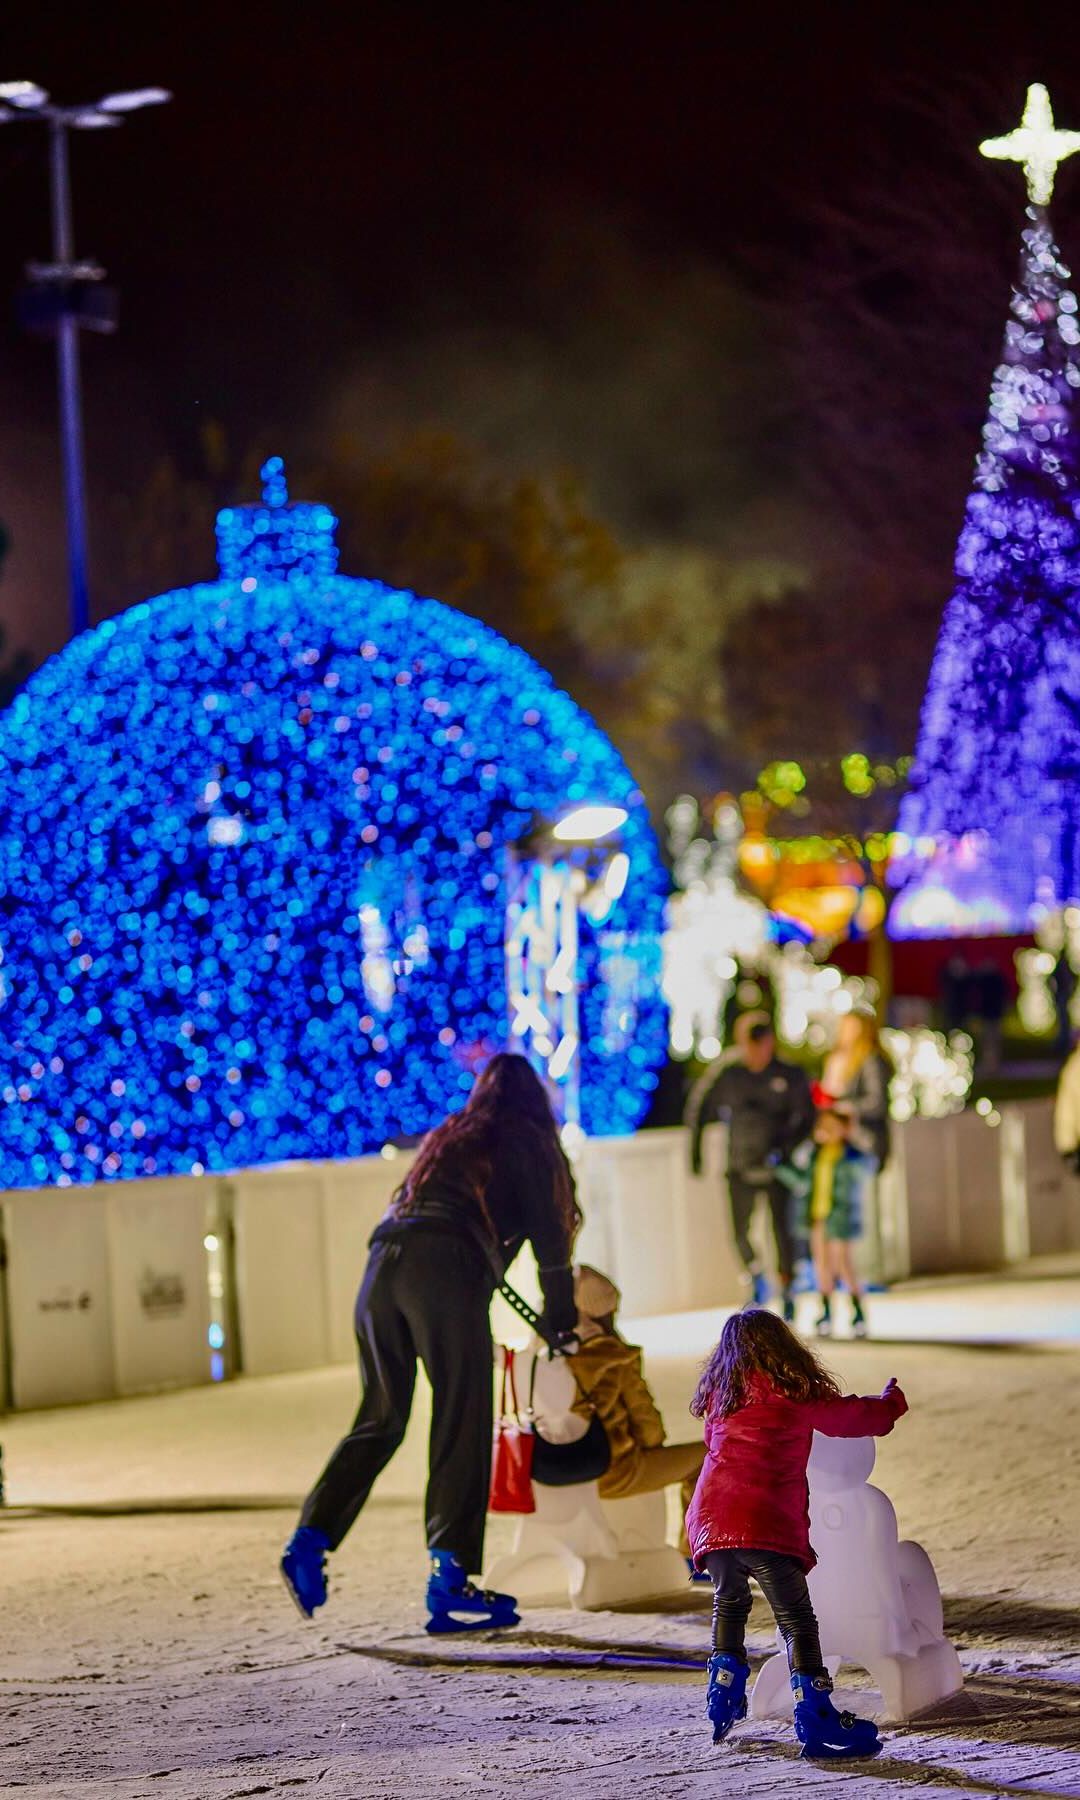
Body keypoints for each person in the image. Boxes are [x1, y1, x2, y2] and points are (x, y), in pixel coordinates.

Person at [280, 1052, 580, 1634]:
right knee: (461, 1419)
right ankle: (451, 1581)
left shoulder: (452, 1136)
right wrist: (561, 1324)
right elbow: (551, 1244)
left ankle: (308, 1539)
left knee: (381, 1416)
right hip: (444, 1268)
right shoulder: (527, 1139)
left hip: (381, 1268)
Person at [684, 1308, 908, 1759]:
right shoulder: (794, 1389)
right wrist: (891, 1401)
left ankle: (721, 1695)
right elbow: (854, 1418)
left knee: (729, 1603)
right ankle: (816, 1713)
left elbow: (714, 1441)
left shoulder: (719, 1395)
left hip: (712, 1518)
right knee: (798, 1622)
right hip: (763, 1522)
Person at [566, 1265, 704, 1563]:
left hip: (558, 1468)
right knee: (706, 1458)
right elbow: (647, 1425)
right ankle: (691, 1556)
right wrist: (652, 1442)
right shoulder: (613, 1355)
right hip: (613, 1470)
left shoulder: (546, 1353)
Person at [685, 1011, 814, 1317]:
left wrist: (786, 1148)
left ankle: (788, 1286)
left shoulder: (789, 1074)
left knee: (783, 1230)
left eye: (763, 1044)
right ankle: (756, 1276)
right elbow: (699, 1109)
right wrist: (696, 1154)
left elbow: (807, 1117)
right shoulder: (728, 1074)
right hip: (739, 1164)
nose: (758, 1053)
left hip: (776, 1165)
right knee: (739, 1230)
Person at [780, 1108, 875, 1338]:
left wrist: (853, 1139)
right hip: (817, 1217)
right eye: (823, 1127)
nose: (826, 1132)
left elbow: (865, 1169)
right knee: (821, 1265)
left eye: (832, 1127)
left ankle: (858, 1313)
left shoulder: (851, 1156)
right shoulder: (815, 1154)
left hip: (840, 1218)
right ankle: (826, 1313)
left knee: (843, 1265)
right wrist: (781, 1168)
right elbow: (802, 1181)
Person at [1053, 1031, 1080, 1173]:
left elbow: (1066, 1112)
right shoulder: (1074, 1069)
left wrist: (1067, 1145)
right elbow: (1066, 1110)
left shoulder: (1073, 1068)